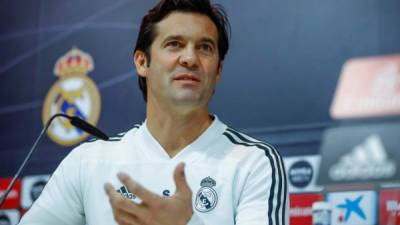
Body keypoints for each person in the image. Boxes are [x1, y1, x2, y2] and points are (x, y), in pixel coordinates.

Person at [18, 0, 289, 224]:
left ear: (218, 71)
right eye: (174, 44)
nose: (190, 58)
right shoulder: (88, 162)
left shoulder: (254, 163)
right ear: (142, 61)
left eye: (205, 48)